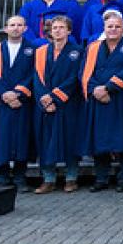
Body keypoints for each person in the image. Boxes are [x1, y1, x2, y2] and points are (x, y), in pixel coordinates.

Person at [81, 10, 123, 192]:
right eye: (110, 26)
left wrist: (107, 88)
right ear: (104, 28)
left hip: (121, 99)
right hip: (98, 100)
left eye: (117, 26)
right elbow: (84, 71)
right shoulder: (93, 48)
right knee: (100, 140)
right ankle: (101, 178)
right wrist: (95, 90)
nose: (113, 29)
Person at [33, 16, 84, 193]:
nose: (58, 30)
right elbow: (37, 79)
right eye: (55, 27)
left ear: (69, 31)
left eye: (62, 27)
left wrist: (55, 97)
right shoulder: (40, 52)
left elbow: (75, 78)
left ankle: (71, 177)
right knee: (46, 141)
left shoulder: (77, 52)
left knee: (70, 139)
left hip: (68, 103)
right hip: (45, 105)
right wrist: (45, 99)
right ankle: (48, 178)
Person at [0, 15, 35, 189]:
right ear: (5, 29)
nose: (16, 28)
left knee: (22, 138)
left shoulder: (33, 50)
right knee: (0, 137)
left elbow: (33, 75)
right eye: (12, 25)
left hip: (22, 103)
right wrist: (5, 95)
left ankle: (20, 177)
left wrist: (17, 95)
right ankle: (2, 175)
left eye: (20, 25)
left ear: (25, 28)